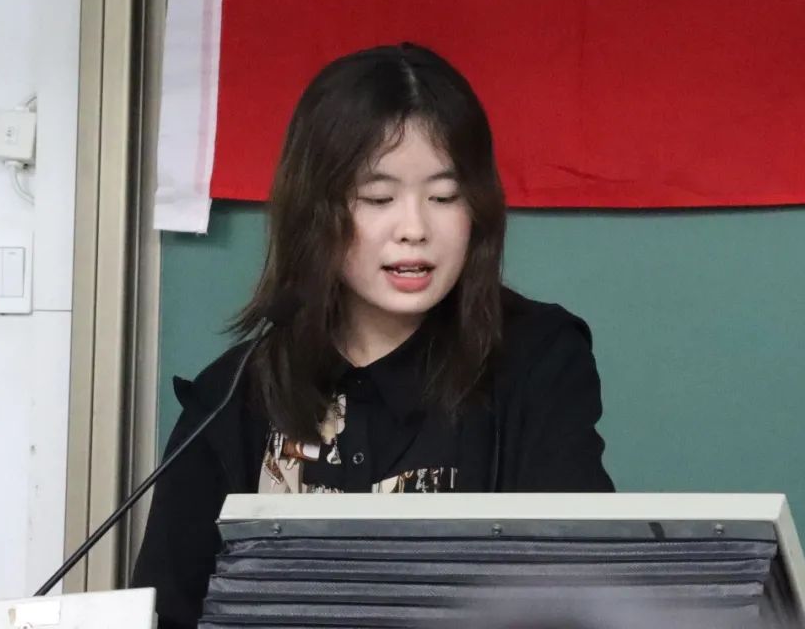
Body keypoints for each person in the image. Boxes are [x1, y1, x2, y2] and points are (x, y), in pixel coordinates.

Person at [132, 43, 615, 629]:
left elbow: (576, 592)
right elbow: (164, 612)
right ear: (316, 211)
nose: (414, 228)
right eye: (378, 198)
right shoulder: (233, 397)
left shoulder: (537, 359)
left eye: (444, 197)